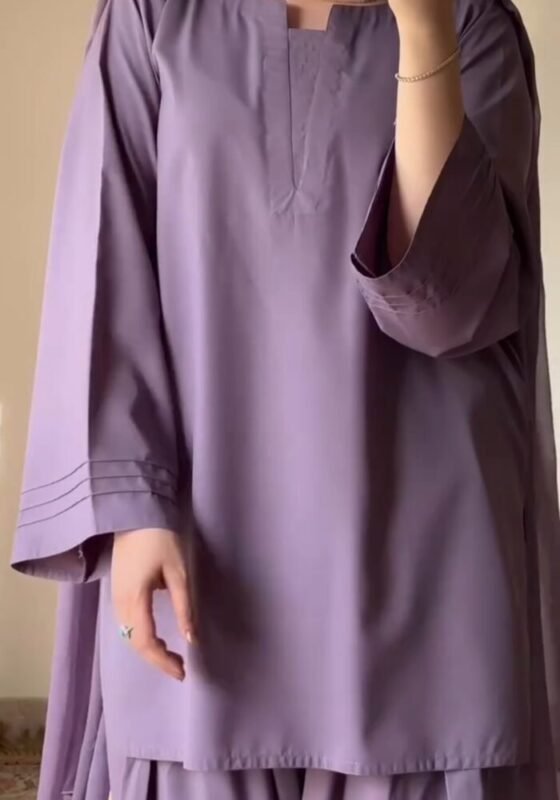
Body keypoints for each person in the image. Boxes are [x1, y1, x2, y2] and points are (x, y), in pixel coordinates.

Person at [10, 0, 560, 797]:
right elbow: (105, 263)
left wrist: (423, 30)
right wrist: (131, 511)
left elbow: (449, 309)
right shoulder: (152, 15)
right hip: (203, 560)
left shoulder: (470, 22)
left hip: (427, 582)